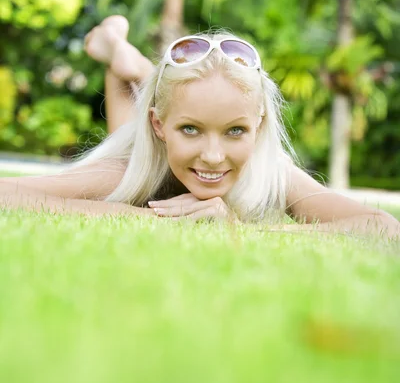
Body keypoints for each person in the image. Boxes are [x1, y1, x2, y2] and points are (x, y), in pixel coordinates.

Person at [0, 16, 399, 237]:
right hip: (144, 151)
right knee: (129, 98)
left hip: (167, 124)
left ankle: (131, 60)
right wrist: (146, 217)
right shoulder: (124, 169)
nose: (213, 155)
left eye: (235, 131)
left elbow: (383, 229)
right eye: (190, 129)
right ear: (159, 125)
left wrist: (238, 228)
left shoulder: (270, 170)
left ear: (258, 126)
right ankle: (117, 48)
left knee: (156, 85)